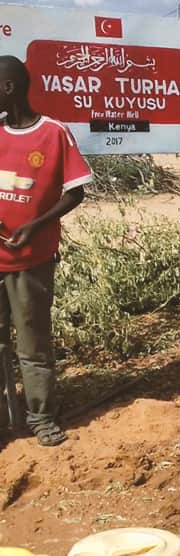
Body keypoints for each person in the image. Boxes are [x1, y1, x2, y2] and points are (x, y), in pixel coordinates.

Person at [0, 56, 91, 446]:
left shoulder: (54, 133)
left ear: (9, 88)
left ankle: (41, 417)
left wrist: (34, 226)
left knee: (33, 342)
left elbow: (76, 192)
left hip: (31, 262)